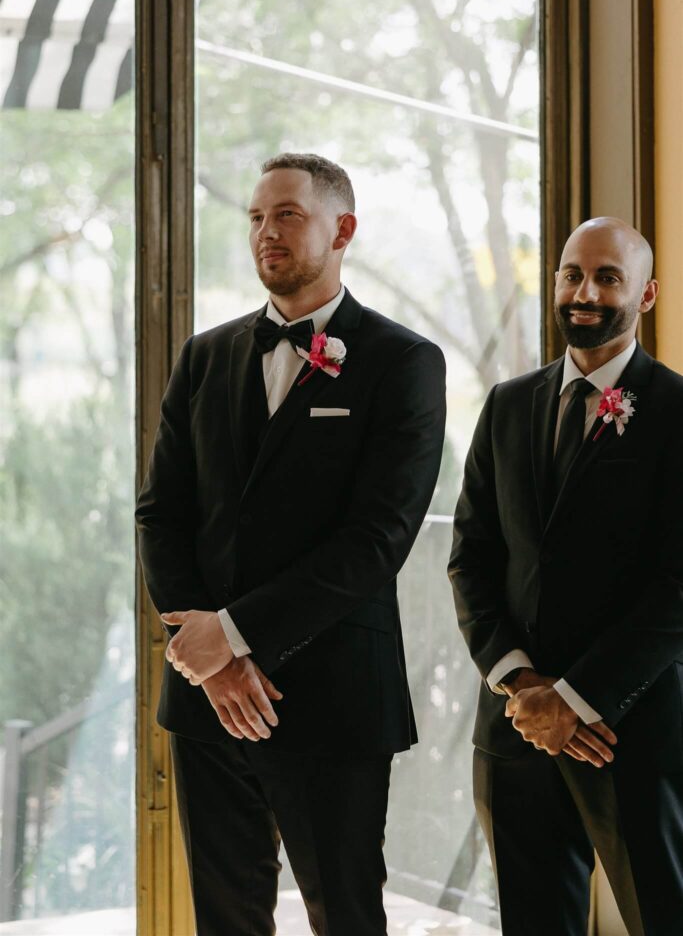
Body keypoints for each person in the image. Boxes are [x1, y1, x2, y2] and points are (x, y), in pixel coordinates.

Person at [135, 152, 447, 936]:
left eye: (286, 216)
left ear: (341, 230)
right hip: (207, 698)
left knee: (343, 913)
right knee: (225, 919)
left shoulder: (403, 362)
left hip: (332, 693)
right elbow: (161, 513)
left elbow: (377, 538)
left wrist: (236, 637)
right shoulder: (203, 357)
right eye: (255, 217)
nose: (265, 233)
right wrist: (208, 654)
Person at [448, 217, 683, 936]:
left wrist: (578, 699)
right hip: (515, 730)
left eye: (606, 277)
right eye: (570, 274)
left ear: (644, 296)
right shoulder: (506, 403)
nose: (583, 292)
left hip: (628, 730)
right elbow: (471, 556)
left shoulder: (677, 413)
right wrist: (523, 686)